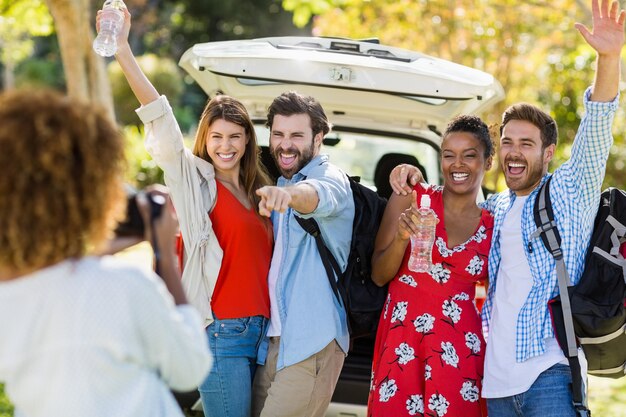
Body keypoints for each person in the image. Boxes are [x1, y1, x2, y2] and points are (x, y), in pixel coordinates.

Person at [390, 1, 624, 415]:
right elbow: (450, 198)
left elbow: (597, 125)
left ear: (548, 153)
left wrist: (608, 58)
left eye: (527, 144)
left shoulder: (569, 191)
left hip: (548, 375)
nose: (515, 153)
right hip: (494, 383)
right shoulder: (494, 207)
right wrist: (408, 174)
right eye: (509, 143)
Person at [103, 8, 274, 417]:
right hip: (220, 334)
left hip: (263, 335)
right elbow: (158, 115)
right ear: (205, 138)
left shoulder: (260, 190)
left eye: (235, 136)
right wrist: (123, 48)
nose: (226, 146)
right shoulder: (192, 178)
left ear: (249, 141)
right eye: (216, 137)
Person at [0, 89, 212, 417]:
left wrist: (97, 251)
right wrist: (165, 256)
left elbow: (52, 278)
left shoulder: (8, 300)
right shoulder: (124, 285)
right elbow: (189, 368)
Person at [368, 115, 494, 417]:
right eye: (449, 155)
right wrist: (401, 238)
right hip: (402, 345)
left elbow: (491, 297)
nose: (457, 164)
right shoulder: (412, 198)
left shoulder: (493, 223)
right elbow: (378, 274)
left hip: (460, 353)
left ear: (488, 162)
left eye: (469, 155)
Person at [251, 91, 355, 417]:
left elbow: (315, 196)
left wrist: (288, 195)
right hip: (271, 343)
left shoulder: (328, 177)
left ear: (318, 138)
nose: (285, 144)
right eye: (278, 134)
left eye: (297, 135)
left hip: (311, 344)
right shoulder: (279, 179)